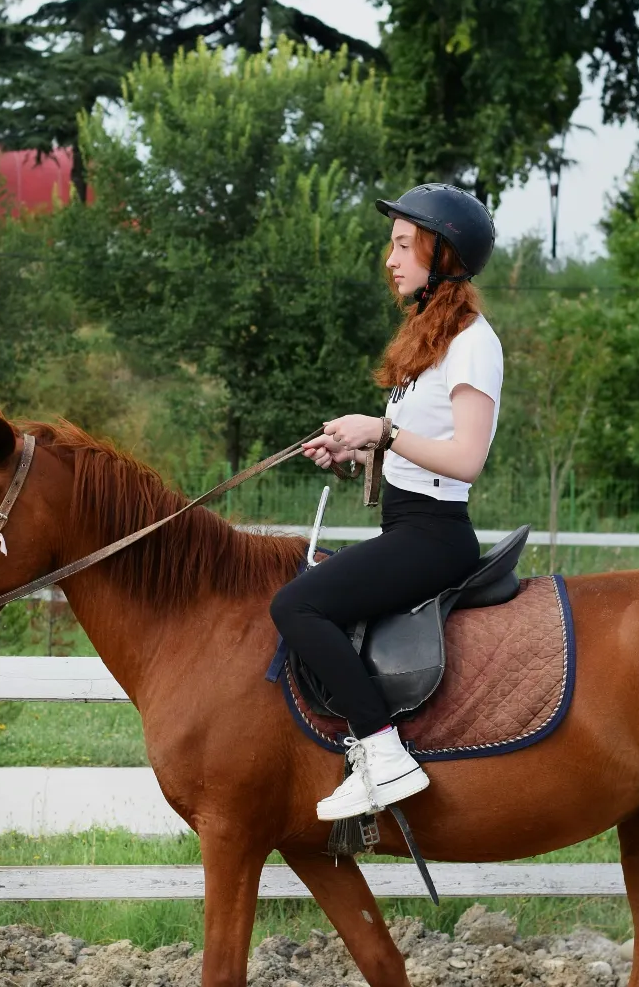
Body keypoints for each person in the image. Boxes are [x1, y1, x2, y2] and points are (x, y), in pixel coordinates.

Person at [270, 183, 504, 821]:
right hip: (409, 524)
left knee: (296, 604)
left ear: (444, 256)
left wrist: (383, 431)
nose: (390, 258)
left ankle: (381, 752)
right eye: (393, 244)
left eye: (404, 245)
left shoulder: (473, 345)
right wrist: (360, 450)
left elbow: (466, 460)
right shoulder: (432, 339)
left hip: (435, 537)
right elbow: (412, 447)